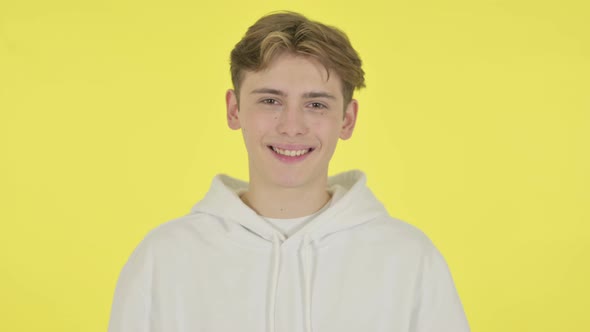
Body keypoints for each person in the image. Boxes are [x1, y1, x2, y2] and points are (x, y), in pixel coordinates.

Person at [108, 11, 470, 332]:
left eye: (315, 104)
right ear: (234, 110)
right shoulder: (165, 258)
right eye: (270, 101)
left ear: (347, 119)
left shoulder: (408, 259)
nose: (291, 126)